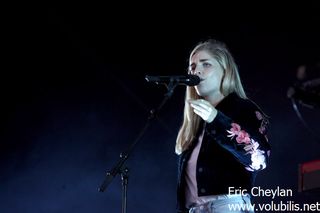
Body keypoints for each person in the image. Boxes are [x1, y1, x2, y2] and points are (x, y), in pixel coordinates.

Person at [175, 39, 271, 213]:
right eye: (193, 66)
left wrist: (217, 119)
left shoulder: (244, 109)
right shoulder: (194, 122)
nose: (196, 70)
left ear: (225, 69)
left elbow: (260, 159)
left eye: (206, 64)